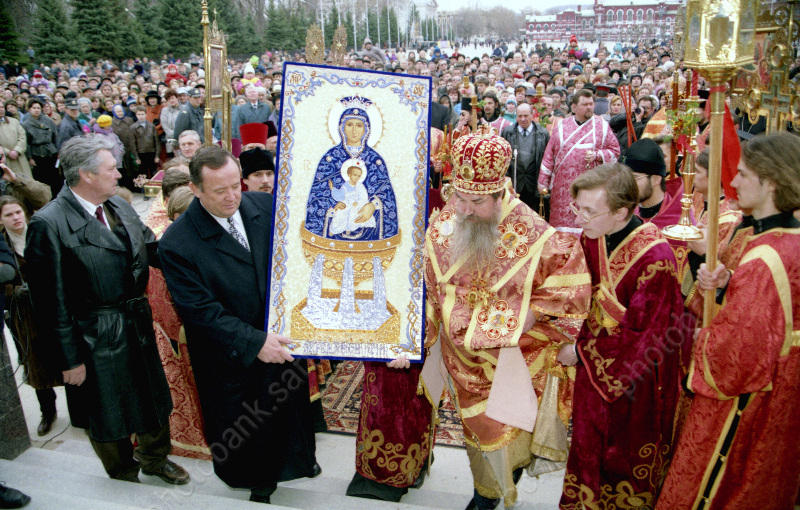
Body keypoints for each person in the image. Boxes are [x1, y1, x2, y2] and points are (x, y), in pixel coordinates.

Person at [424, 129, 591, 509]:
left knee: (504, 433)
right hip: (460, 359)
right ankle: (485, 494)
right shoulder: (455, 213)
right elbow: (431, 274)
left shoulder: (537, 235)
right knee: (475, 438)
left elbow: (569, 291)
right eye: (459, 197)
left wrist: (520, 321)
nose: (463, 210)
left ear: (503, 193)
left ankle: (487, 500)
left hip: (512, 362)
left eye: (477, 201)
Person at [24, 135, 189, 485]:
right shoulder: (49, 224)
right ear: (86, 175)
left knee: (152, 398)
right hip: (93, 335)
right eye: (111, 168)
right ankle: (122, 472)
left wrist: (198, 239)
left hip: (136, 323)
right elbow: (49, 302)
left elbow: (153, 249)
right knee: (107, 412)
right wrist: (69, 359)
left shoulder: (120, 206)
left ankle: (156, 460)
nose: (119, 174)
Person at [159, 145, 319, 503]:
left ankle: (295, 464)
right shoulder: (178, 242)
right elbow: (199, 310)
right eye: (220, 191)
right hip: (232, 353)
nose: (232, 197)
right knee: (247, 428)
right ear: (196, 190)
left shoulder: (263, 206)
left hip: (279, 338)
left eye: (236, 186)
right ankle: (257, 483)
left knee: (288, 415)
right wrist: (255, 342)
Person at [657, 132, 800, 509]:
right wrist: (726, 286)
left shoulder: (766, 256)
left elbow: (737, 357)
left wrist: (701, 339)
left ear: (770, 183)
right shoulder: (787, 239)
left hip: (749, 403)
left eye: (743, 175)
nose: (733, 182)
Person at [559, 162, 687, 508]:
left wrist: (580, 348)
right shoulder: (595, 237)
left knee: (622, 460)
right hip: (595, 367)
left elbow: (647, 335)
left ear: (621, 212)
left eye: (588, 210)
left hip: (636, 382)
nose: (579, 218)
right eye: (578, 207)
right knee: (586, 447)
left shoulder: (655, 258)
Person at [0, 196, 62, 436]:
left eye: (18, 212)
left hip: (55, 307)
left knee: (67, 355)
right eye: (9, 215)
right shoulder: (4, 245)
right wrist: (16, 291)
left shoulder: (41, 233)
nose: (16, 218)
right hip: (22, 314)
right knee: (34, 362)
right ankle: (48, 411)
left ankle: (83, 409)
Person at [305, 97, 397, 242]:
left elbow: (386, 193)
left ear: (367, 129)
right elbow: (317, 194)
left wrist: (374, 205)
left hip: (367, 233)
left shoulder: (375, 159)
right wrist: (333, 204)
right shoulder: (330, 158)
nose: (354, 130)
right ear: (341, 127)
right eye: (349, 124)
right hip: (334, 233)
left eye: (359, 125)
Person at [538, 89, 621, 232]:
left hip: (591, 186)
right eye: (585, 104)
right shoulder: (562, 125)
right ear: (574, 107)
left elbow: (615, 151)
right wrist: (542, 182)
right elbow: (549, 155)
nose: (589, 107)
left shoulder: (602, 126)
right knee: (561, 227)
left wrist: (598, 155)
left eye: (591, 104)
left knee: (587, 223)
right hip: (562, 188)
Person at [501, 103, 550, 213]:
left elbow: (548, 160)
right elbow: (503, 159)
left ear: (532, 115)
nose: (523, 119)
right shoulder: (507, 132)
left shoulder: (543, 134)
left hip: (534, 184)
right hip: (515, 183)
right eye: (520, 116)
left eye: (526, 116)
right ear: (516, 116)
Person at [21, 97, 60, 196]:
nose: (36, 110)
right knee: (41, 179)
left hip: (50, 152)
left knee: (54, 178)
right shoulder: (26, 124)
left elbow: (55, 136)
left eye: (38, 108)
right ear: (30, 109)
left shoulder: (48, 120)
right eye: (34, 108)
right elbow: (27, 143)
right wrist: (29, 157)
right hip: (37, 153)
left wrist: (58, 151)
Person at [0, 101, 32, 179]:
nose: (1, 110)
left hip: (19, 157)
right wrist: (7, 152)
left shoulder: (14, 121)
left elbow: (22, 137)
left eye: (2, 107)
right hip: (4, 159)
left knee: (26, 182)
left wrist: (17, 150)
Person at [132, 106, 160, 178]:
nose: (141, 116)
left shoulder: (151, 126)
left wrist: (157, 155)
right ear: (136, 115)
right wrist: (136, 157)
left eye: (142, 114)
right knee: (143, 174)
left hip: (151, 152)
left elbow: (156, 141)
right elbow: (133, 143)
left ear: (146, 114)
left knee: (154, 173)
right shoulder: (133, 127)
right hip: (141, 153)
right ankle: (144, 189)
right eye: (139, 114)